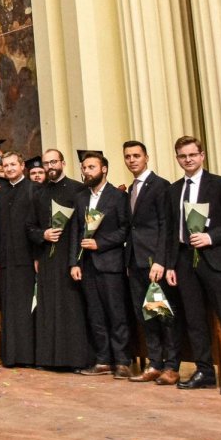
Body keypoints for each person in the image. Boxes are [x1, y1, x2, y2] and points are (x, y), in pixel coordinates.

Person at [168, 135, 221, 395]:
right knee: (194, 320)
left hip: (215, 260)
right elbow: (171, 230)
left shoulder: (220, 185)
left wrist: (210, 236)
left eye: (192, 154)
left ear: (202, 156)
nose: (188, 159)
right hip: (184, 261)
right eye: (183, 156)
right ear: (178, 159)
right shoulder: (174, 189)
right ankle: (204, 371)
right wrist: (170, 264)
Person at [121, 141, 180, 385]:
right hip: (134, 261)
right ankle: (154, 363)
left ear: (147, 157)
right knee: (145, 314)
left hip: (153, 262)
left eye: (136, 155)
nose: (132, 160)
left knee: (164, 314)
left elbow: (166, 226)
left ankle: (172, 365)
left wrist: (161, 261)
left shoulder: (160, 186)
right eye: (127, 156)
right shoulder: (130, 190)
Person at [69, 151, 131, 378]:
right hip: (87, 266)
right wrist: (74, 263)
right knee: (95, 314)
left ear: (104, 169)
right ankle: (103, 360)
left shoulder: (118, 196)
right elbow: (76, 232)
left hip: (110, 263)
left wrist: (100, 243)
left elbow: (125, 230)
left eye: (91, 167)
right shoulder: (81, 198)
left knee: (116, 313)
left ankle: (122, 361)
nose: (86, 172)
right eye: (84, 168)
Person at [30, 149, 89, 370]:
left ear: (62, 163)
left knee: (70, 306)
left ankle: (74, 359)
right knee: (48, 307)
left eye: (54, 162)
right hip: (47, 255)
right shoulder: (38, 193)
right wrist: (43, 235)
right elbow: (30, 227)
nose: (50, 166)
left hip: (70, 255)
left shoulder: (78, 189)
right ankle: (48, 359)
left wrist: (76, 260)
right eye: (46, 163)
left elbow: (83, 225)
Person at [0, 152, 35, 368]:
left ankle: (28, 355)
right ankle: (11, 355)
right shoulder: (0, 195)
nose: (8, 169)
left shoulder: (34, 189)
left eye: (12, 165)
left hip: (28, 259)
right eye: (5, 166)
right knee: (9, 309)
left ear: (22, 165)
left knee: (27, 308)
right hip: (7, 261)